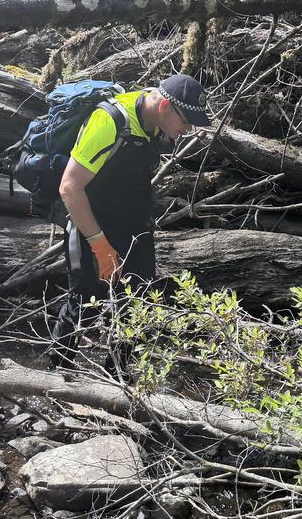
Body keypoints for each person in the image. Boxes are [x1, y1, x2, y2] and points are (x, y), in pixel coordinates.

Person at [56, 73, 211, 328]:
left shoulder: (157, 122)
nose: (189, 130)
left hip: (135, 230)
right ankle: (59, 355)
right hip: (92, 229)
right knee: (83, 306)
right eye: (186, 121)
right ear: (164, 106)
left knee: (139, 307)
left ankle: (122, 357)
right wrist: (99, 246)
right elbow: (70, 187)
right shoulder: (110, 121)